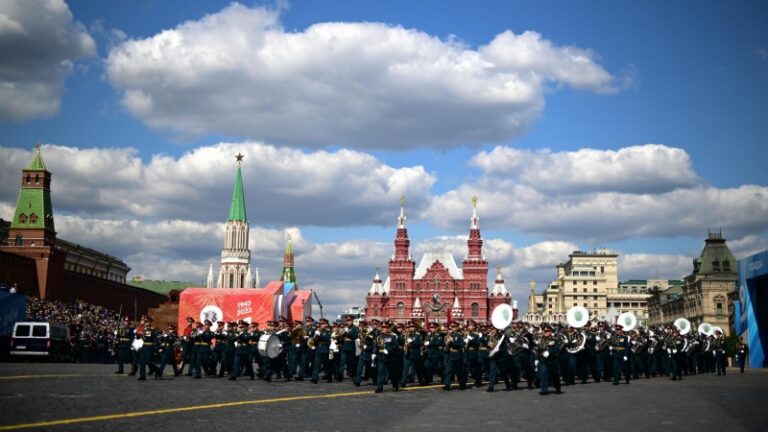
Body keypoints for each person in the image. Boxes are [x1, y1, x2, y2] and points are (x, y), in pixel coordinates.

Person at [374, 321, 400, 393]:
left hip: (390, 357)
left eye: (385, 328)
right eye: (382, 327)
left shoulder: (392, 336)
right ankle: (379, 387)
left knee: (392, 373)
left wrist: (389, 350)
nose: (383, 329)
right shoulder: (379, 336)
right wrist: (374, 353)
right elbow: (376, 346)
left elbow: (396, 345)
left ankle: (395, 386)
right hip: (381, 357)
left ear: (388, 329)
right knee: (380, 372)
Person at [537, 323, 562, 395]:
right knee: (543, 373)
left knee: (555, 376)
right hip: (544, 360)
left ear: (551, 331)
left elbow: (557, 349)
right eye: (544, 331)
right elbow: (539, 349)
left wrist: (549, 352)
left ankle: (557, 387)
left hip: (552, 360)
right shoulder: (541, 339)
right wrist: (537, 358)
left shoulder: (554, 339)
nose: (545, 332)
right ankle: (544, 390)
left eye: (547, 331)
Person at [443, 321, 467, 391]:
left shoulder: (461, 335)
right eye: (451, 327)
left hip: (457, 356)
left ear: (457, 327)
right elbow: (445, 345)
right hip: (450, 355)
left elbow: (461, 345)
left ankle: (462, 384)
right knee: (448, 371)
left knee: (459, 371)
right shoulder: (449, 335)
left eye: (453, 327)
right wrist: (446, 343)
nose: (452, 328)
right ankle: (447, 384)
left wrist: (453, 341)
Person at [311, 318, 333, 383]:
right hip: (318, 349)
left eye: (323, 324)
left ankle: (329, 377)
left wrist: (319, 334)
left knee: (327, 365)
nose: (321, 325)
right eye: (320, 324)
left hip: (325, 350)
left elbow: (327, 338)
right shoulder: (318, 331)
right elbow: (314, 340)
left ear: (326, 324)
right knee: (316, 365)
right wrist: (315, 336)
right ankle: (315, 378)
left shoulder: (328, 331)